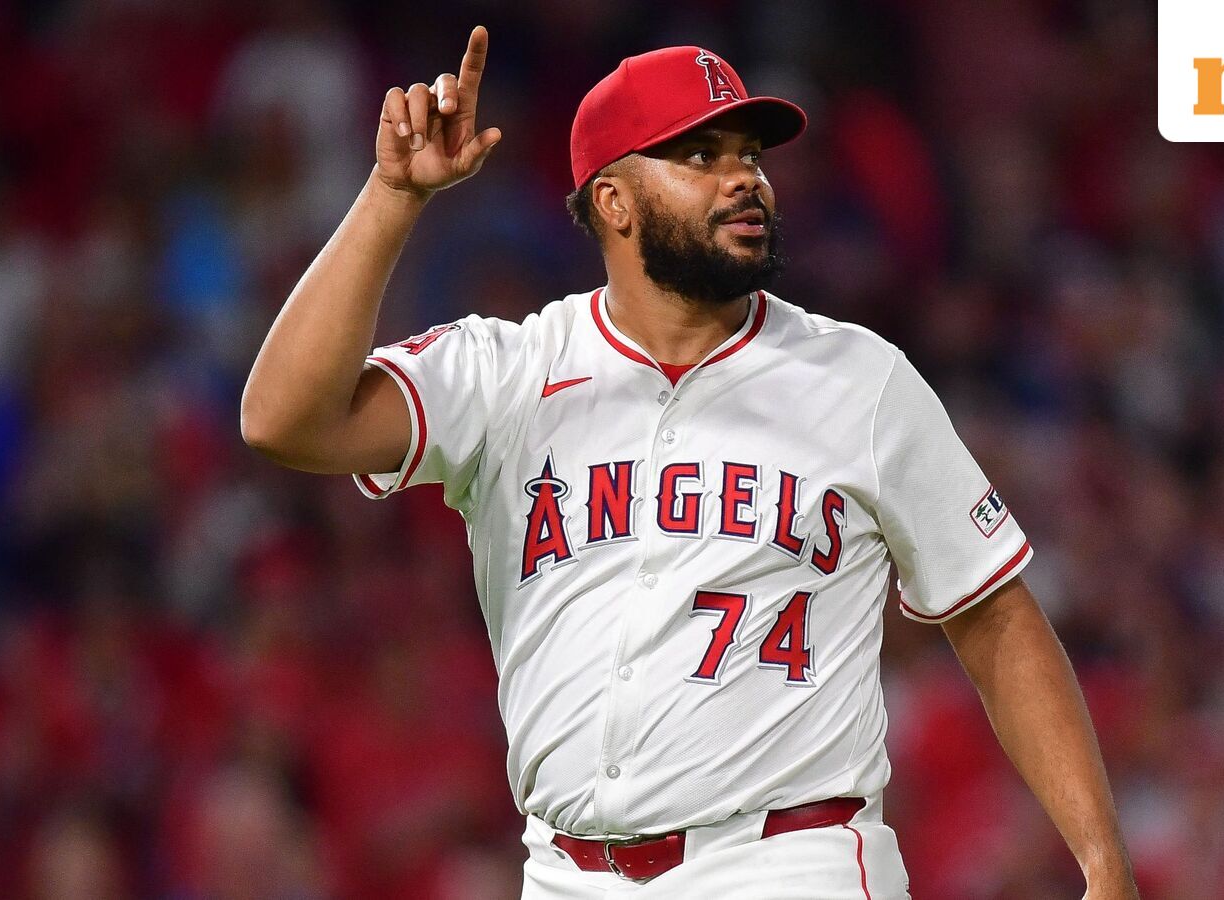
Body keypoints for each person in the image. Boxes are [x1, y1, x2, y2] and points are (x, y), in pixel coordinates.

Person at [241, 26, 1139, 899]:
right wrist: (393, 197)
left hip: (790, 862)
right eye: (699, 156)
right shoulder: (512, 370)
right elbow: (284, 419)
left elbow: (995, 616)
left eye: (748, 153)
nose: (744, 178)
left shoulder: (858, 378)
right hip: (567, 872)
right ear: (614, 201)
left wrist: (1103, 863)